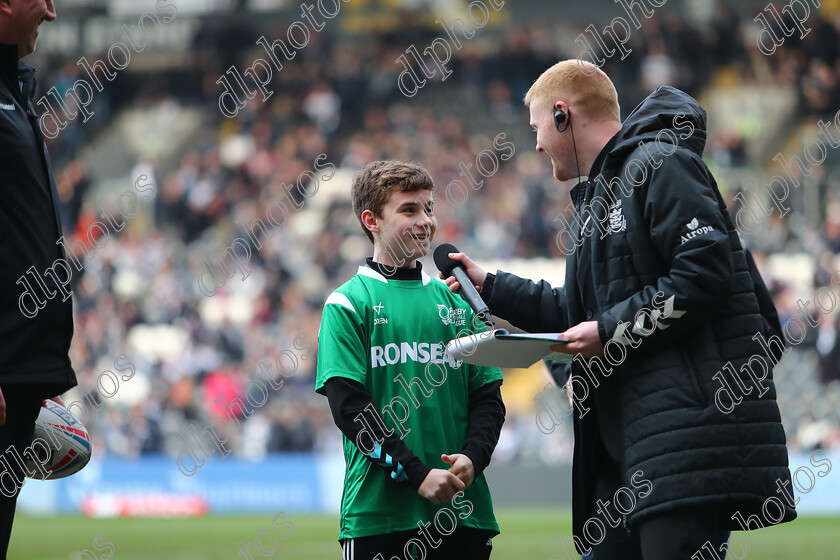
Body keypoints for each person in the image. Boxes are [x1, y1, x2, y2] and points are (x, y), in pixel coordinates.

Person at [442, 60, 796, 559]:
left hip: (680, 447)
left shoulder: (662, 163)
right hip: (623, 449)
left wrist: (608, 331)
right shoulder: (597, 201)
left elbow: (704, 274)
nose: (537, 143)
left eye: (539, 126)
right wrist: (492, 287)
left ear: (563, 115)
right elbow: (577, 311)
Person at [315, 160, 505, 559]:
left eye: (429, 208)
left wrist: (473, 457)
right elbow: (350, 408)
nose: (426, 221)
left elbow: (488, 398)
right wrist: (416, 475)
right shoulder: (348, 303)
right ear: (371, 220)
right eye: (409, 210)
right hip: (379, 518)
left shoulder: (458, 299)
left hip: (462, 515)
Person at [0, 1, 77, 557]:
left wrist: (39, 362)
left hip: (19, 372)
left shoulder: (14, 90)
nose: (51, 12)